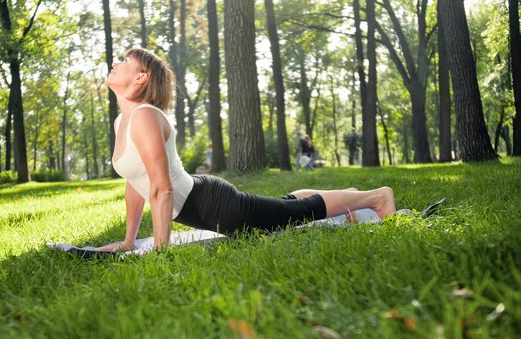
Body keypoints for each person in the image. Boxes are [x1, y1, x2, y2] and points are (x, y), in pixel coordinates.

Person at [97, 48, 396, 251]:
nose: (115, 63)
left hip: (216, 206)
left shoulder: (145, 116)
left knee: (295, 213)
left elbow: (162, 188)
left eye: (124, 61)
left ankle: (377, 197)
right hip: (204, 199)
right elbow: (135, 186)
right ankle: (351, 197)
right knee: (283, 205)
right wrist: (128, 241)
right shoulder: (122, 120)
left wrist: (161, 248)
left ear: (140, 78)